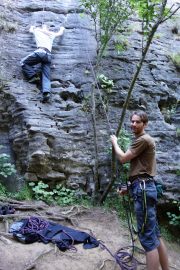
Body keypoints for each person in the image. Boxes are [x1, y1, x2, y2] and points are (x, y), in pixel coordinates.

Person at [110, 111, 169, 270]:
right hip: (144, 188)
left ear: (145, 124)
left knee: (148, 239)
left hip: (143, 191)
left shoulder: (143, 140)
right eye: (132, 121)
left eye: (138, 122)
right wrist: (129, 188)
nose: (134, 124)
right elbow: (141, 171)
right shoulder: (143, 140)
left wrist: (115, 142)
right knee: (155, 234)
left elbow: (123, 158)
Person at [20, 24, 65, 102]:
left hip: (40, 52)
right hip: (48, 56)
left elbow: (30, 30)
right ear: (48, 29)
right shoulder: (51, 34)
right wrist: (62, 28)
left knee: (23, 62)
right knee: (46, 76)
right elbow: (60, 33)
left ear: (42, 27)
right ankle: (46, 93)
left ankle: (34, 76)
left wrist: (32, 27)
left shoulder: (37, 31)